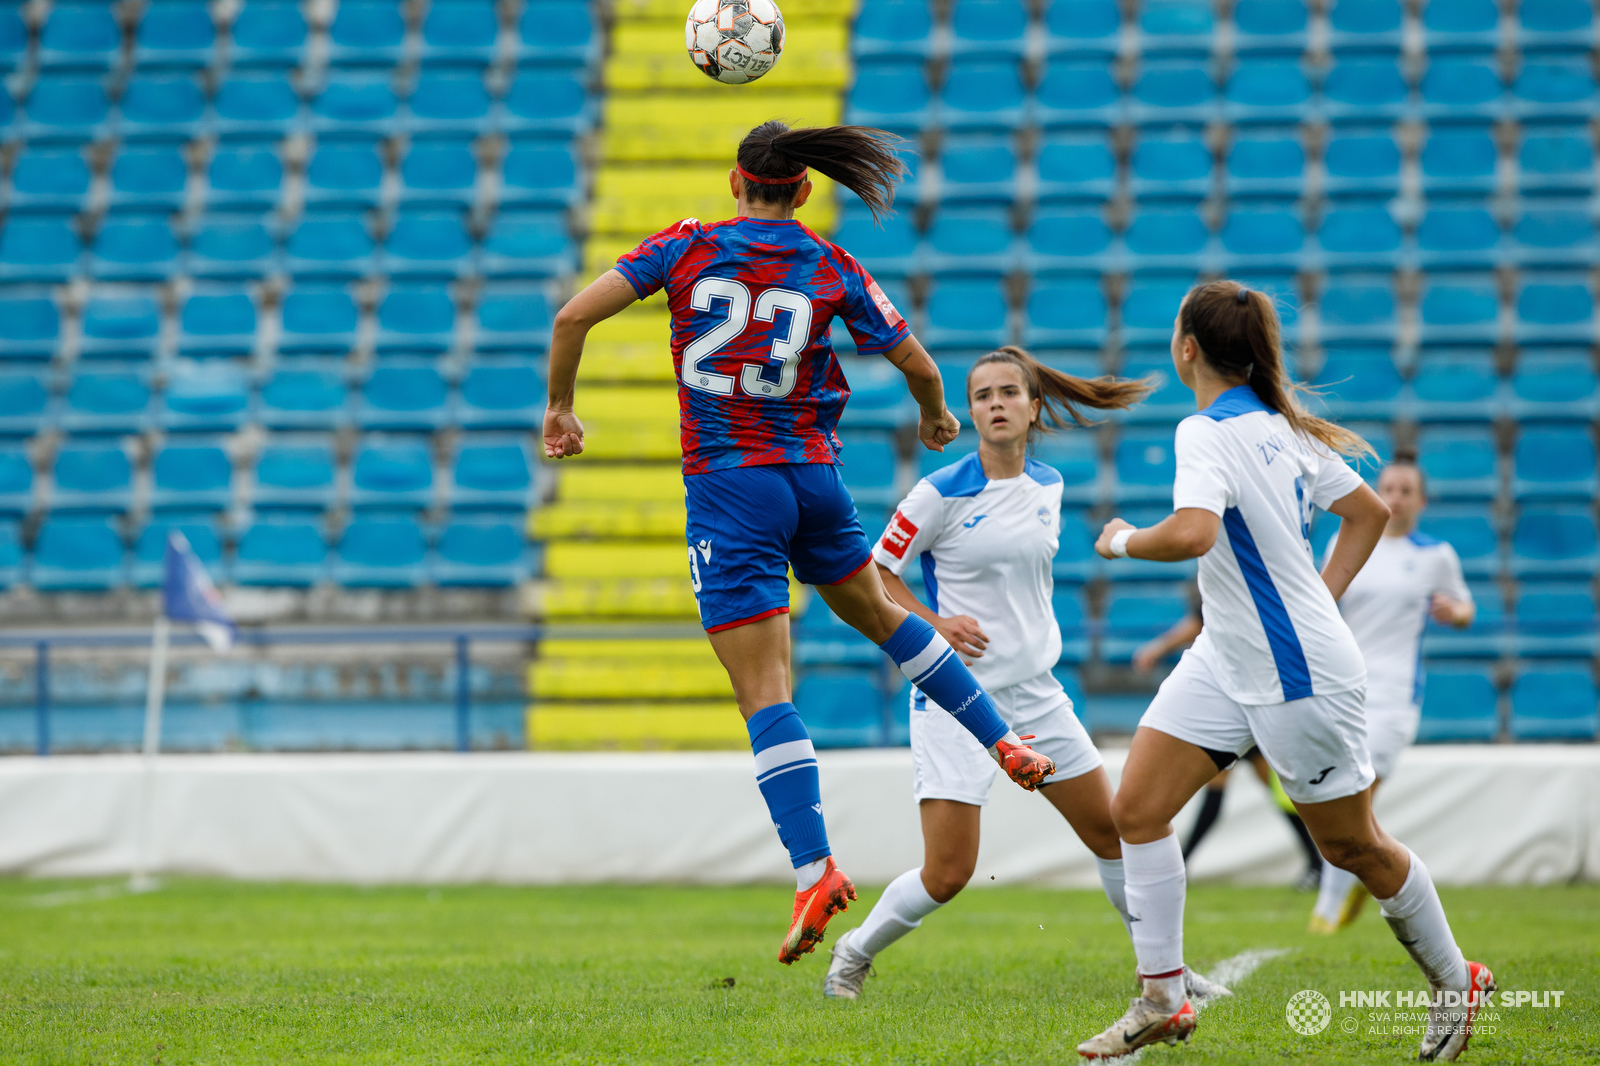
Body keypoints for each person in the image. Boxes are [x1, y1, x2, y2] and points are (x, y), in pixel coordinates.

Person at [542, 121, 1056, 968]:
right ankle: (1003, 738)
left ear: (733, 180)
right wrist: (935, 416)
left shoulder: (684, 245)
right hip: (813, 480)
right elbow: (921, 366)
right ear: (804, 191)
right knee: (888, 621)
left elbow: (571, 318)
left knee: (765, 688)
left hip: (729, 488)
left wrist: (561, 407)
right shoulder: (831, 264)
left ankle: (815, 868)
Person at [1075, 281, 1493, 1061]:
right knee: (1136, 808)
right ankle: (1162, 996)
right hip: (1227, 656)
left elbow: (1195, 533)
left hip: (1296, 672)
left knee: (1353, 847)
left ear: (1187, 347)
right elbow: (1371, 514)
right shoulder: (1281, 426)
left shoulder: (1206, 431)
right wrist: (1322, 598)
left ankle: (1453, 978)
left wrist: (1121, 540)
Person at [822, 347, 1240, 1002]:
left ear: (1033, 406)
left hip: (1039, 697)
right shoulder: (938, 492)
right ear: (970, 410)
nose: (995, 404)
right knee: (950, 871)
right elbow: (876, 572)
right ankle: (852, 954)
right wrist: (936, 624)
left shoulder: (1049, 484)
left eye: (1008, 392)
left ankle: (1167, 973)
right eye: (982, 394)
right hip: (957, 698)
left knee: (1113, 834)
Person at [1310, 449, 1474, 934]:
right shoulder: (1350, 541)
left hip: (1396, 694)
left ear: (1422, 500)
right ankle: (1353, 884)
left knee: (1359, 792)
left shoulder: (1435, 555)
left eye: (1406, 491)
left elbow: (1466, 609)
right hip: (1345, 686)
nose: (1396, 499)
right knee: (1342, 793)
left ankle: (1327, 909)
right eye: (1389, 490)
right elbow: (1323, 605)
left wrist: (1454, 613)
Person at [1136, 615, 1326, 890]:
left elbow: (1199, 622)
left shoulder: (1225, 582)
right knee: (1270, 793)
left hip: (1235, 700)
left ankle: (1321, 864)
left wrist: (1158, 648)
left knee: (1265, 794)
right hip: (1244, 696)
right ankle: (1319, 864)